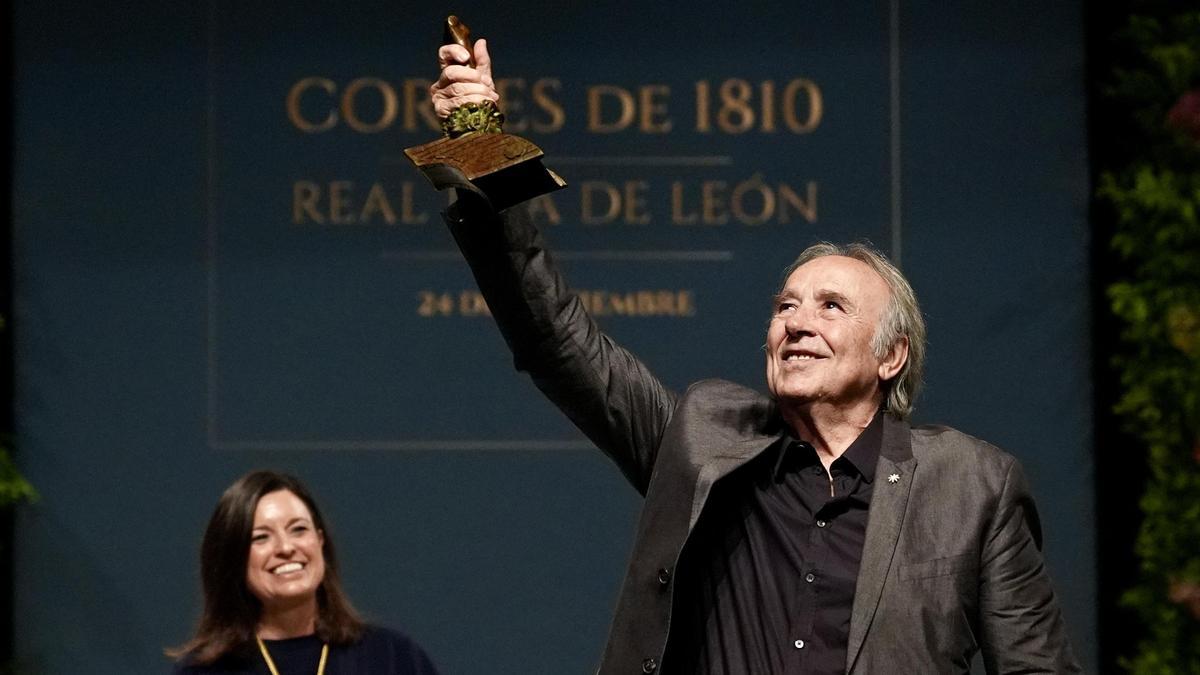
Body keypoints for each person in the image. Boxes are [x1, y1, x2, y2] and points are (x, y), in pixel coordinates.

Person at [431, 39, 1082, 674]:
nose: (797, 322)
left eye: (831, 307)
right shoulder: (702, 437)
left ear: (893, 356)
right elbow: (556, 336)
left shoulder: (971, 487)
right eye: (784, 306)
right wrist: (481, 142)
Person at [170, 470, 440, 674]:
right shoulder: (202, 671)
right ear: (234, 558)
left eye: (298, 529)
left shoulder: (392, 658)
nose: (286, 547)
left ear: (320, 541)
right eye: (261, 537)